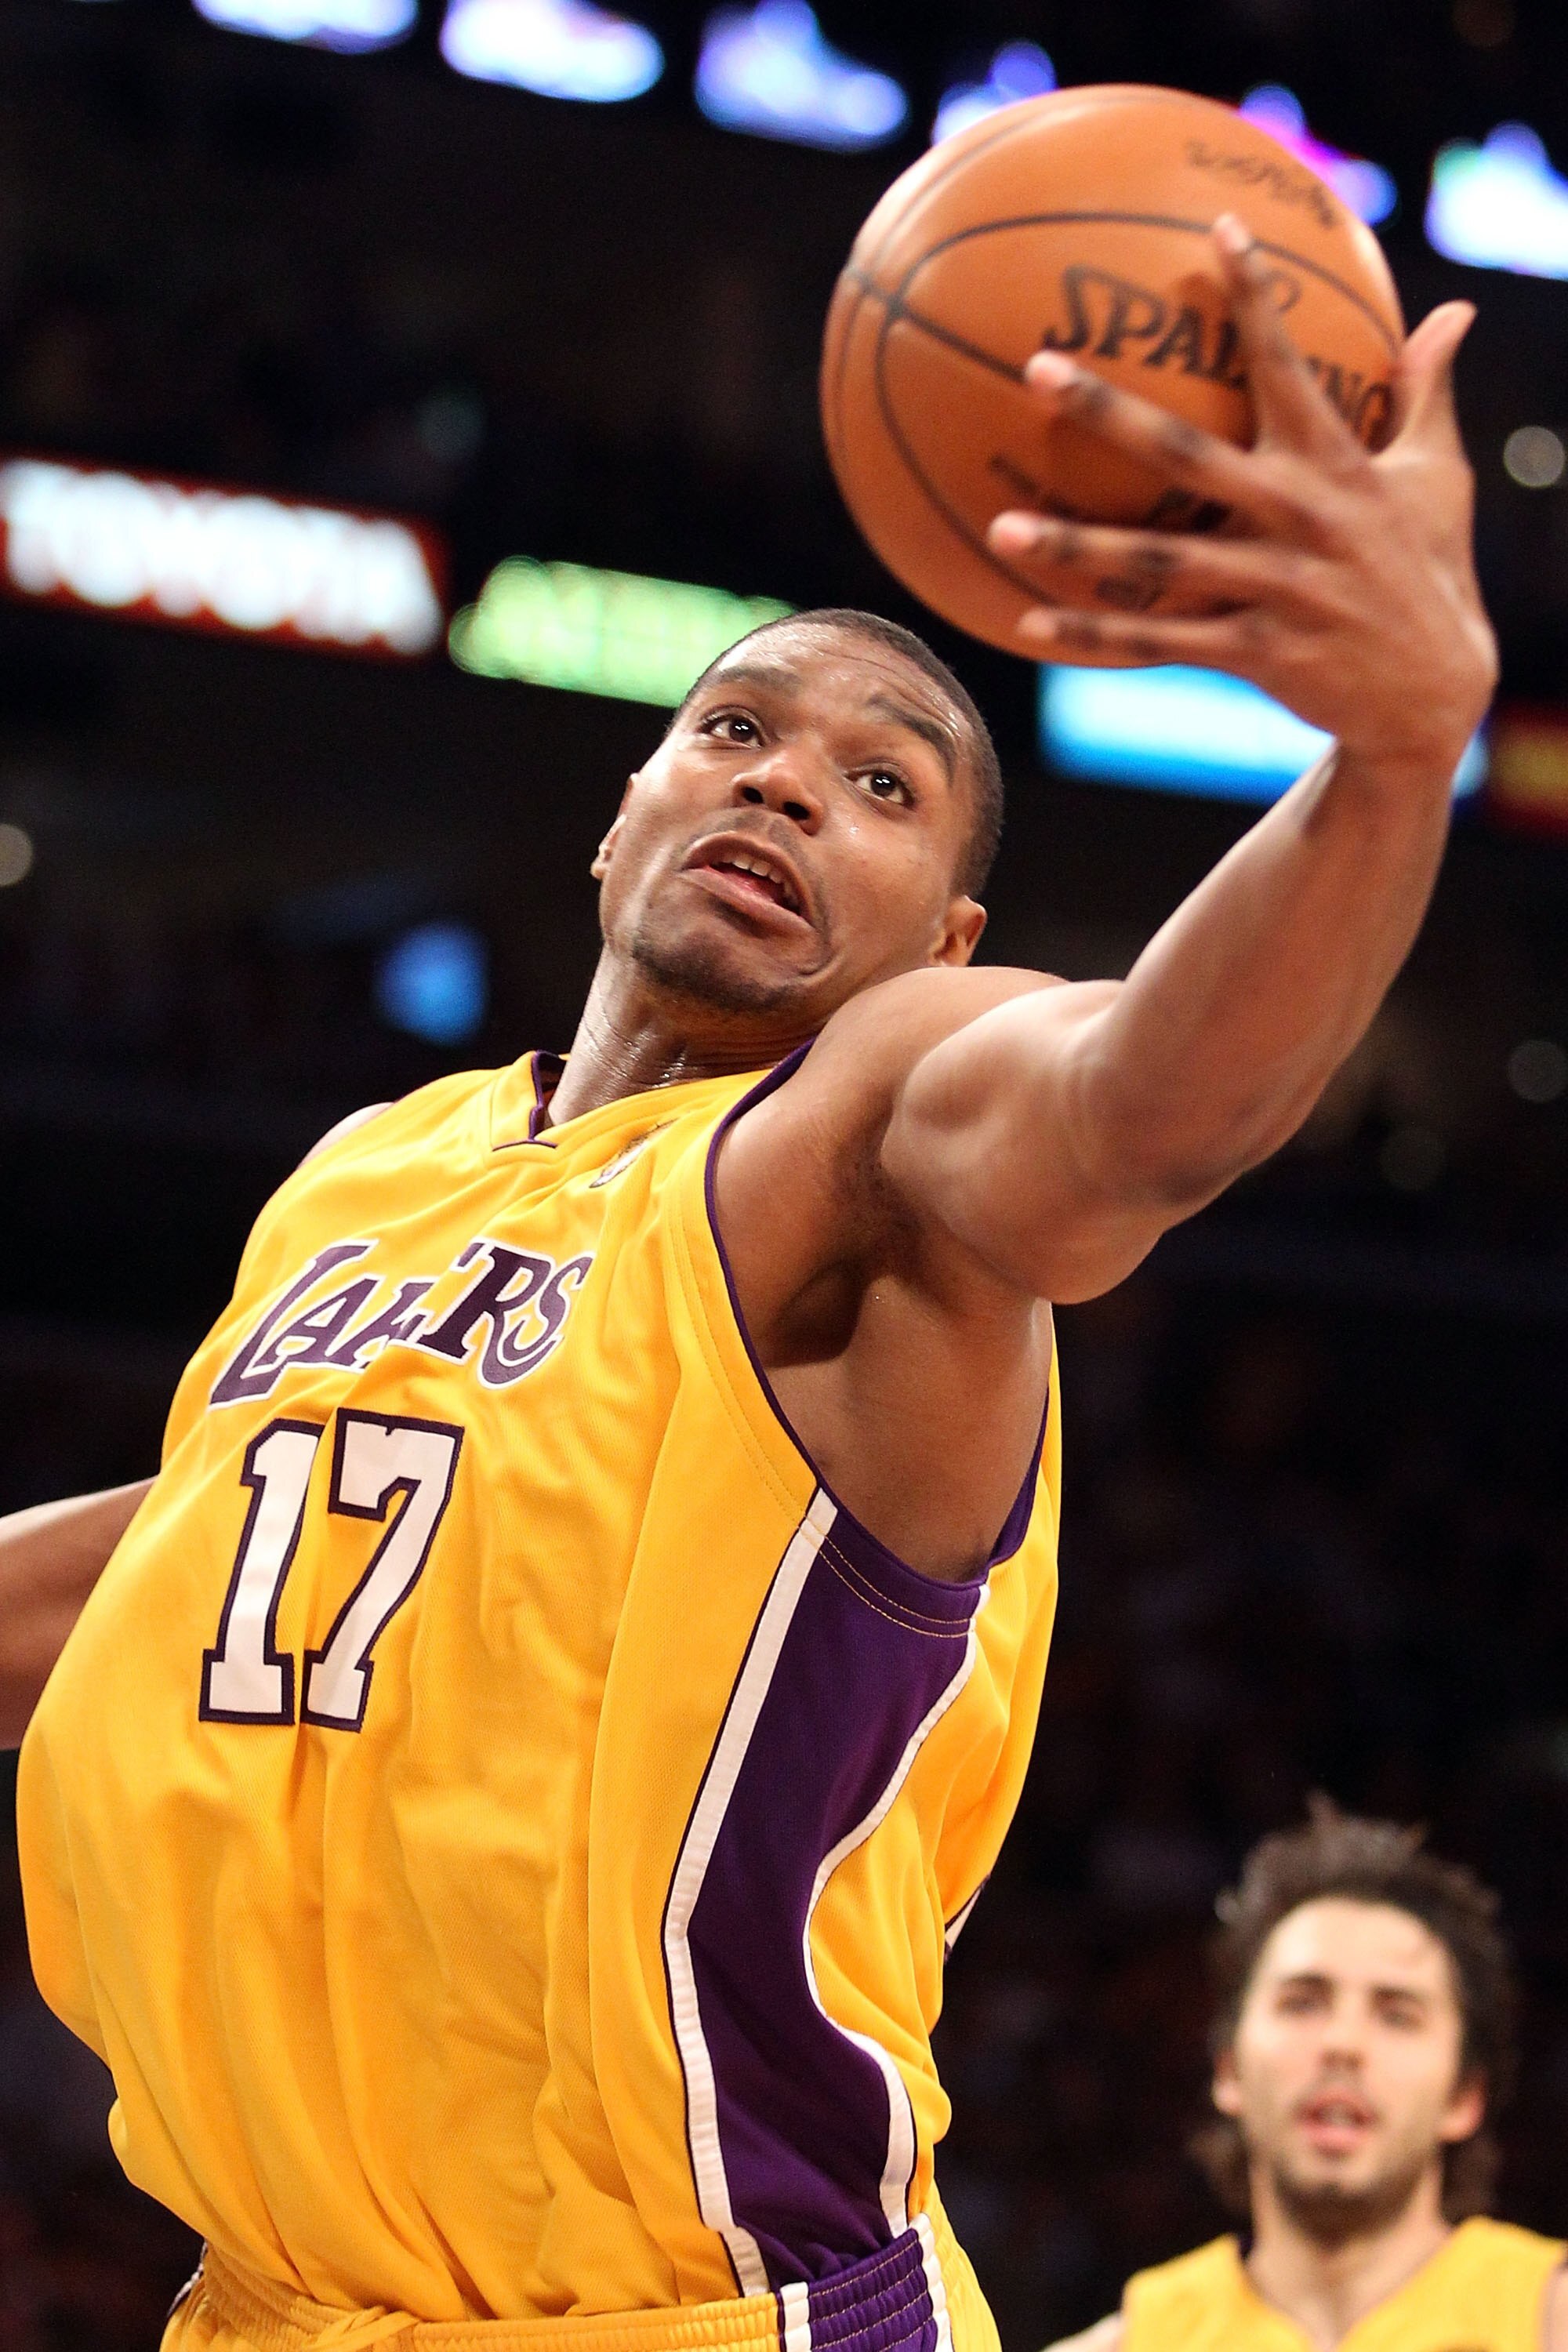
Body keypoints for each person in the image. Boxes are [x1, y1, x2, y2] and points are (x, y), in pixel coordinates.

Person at [2, 222, 1495, 2352]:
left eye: (880, 784)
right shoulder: (375, 1166)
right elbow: (208, 1547)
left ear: (947, 938)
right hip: (269, 2308)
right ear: (624, 814)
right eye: (736, 732)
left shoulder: (866, 1136)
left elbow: (1138, 1111)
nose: (790, 776)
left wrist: (1383, 761)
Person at [1044, 1806, 1566, 2352]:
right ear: (1229, 2070)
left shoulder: (1550, 2320)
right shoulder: (1130, 2343)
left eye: (1397, 2015)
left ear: (1465, 2096)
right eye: (1302, 2003)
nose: (1343, 2043)